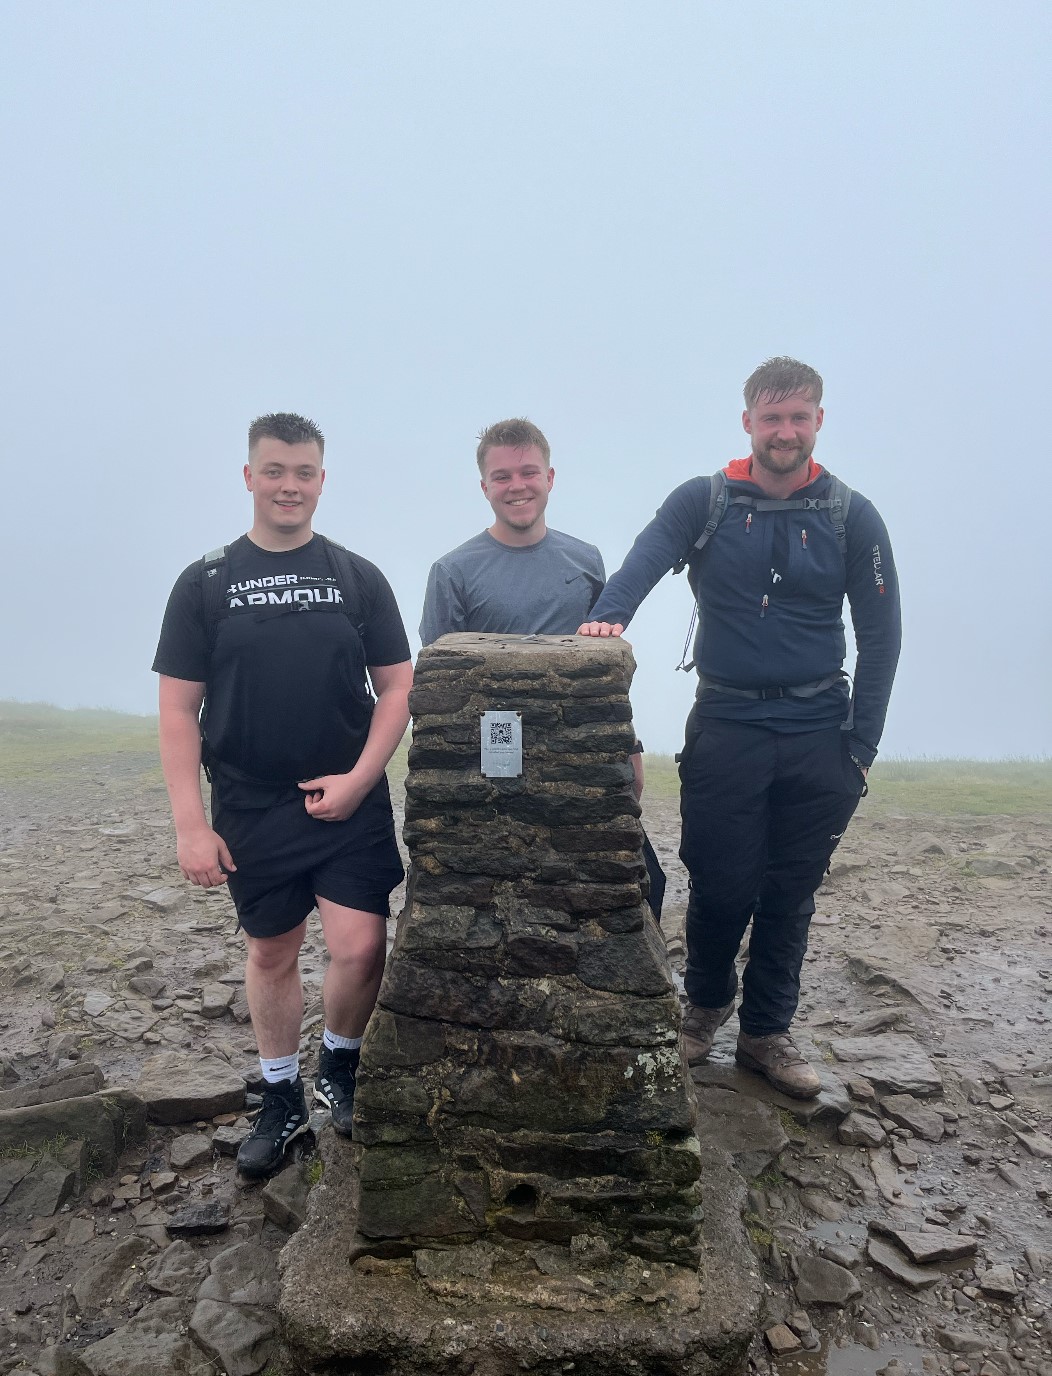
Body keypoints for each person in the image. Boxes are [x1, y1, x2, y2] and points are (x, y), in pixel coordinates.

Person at [578, 358, 901, 1097]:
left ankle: (765, 1033)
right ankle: (703, 1012)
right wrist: (606, 619)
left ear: (818, 421)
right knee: (722, 883)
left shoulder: (852, 515)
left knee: (791, 890)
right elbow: (646, 560)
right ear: (748, 421)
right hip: (727, 720)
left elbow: (882, 635)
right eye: (771, 417)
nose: (784, 431)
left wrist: (860, 749)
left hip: (821, 726)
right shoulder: (707, 501)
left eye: (798, 417)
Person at [153, 413, 413, 1177]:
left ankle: (340, 1068)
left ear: (321, 481)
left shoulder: (358, 576)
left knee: (362, 946)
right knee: (271, 950)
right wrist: (190, 826)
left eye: (303, 473)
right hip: (251, 799)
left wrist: (361, 779)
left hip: (349, 795)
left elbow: (397, 688)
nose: (289, 486)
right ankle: (280, 1095)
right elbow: (177, 709)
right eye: (274, 471)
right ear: (249, 477)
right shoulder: (204, 582)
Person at [420, 417, 661, 913]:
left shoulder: (586, 560)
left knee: (641, 883)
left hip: (584, 750)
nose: (517, 487)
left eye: (528, 472)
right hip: (493, 752)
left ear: (550, 477)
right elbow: (439, 693)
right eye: (503, 476)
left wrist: (629, 746)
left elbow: (607, 670)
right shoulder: (452, 571)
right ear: (484, 486)